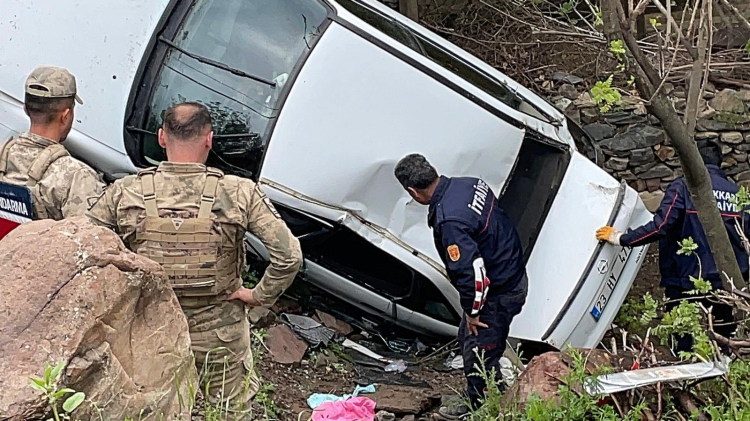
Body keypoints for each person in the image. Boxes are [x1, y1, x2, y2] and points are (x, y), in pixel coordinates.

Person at [87, 102, 302, 419]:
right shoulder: (239, 193)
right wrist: (258, 296)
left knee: (153, 410)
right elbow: (289, 256)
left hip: (151, 329)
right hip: (219, 331)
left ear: (162, 138)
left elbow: (85, 245)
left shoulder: (125, 192)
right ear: (209, 139)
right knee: (229, 411)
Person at [393, 154, 528, 419]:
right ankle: (492, 392)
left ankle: (484, 406)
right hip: (512, 274)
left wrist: (473, 311)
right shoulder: (469, 184)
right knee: (469, 339)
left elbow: (472, 272)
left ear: (413, 191)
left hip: (498, 292)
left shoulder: (449, 221)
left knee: (478, 353)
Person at [597, 140, 743, 353]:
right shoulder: (737, 194)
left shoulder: (683, 187)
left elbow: (661, 226)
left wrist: (622, 238)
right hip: (727, 280)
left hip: (685, 278)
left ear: (690, 161)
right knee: (725, 335)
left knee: (681, 331)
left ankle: (683, 363)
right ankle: (725, 363)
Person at [0, 66, 103, 224]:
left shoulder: (4, 155)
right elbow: (88, 236)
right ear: (66, 116)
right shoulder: (76, 177)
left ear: (26, 109)